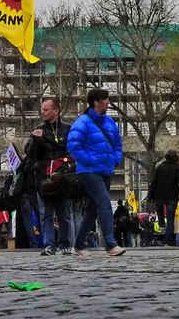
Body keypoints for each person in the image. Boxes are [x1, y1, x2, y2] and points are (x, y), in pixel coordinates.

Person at [66, 88, 126, 257]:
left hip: (105, 170)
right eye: (105, 100)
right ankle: (111, 245)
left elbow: (117, 143)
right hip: (89, 170)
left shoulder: (110, 122)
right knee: (105, 203)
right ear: (96, 102)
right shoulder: (82, 122)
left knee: (92, 209)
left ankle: (78, 246)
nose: (108, 102)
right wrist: (90, 160)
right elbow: (73, 146)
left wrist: (115, 159)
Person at [25, 98, 71, 256]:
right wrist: (36, 141)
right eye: (42, 109)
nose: (42, 112)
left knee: (63, 213)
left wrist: (64, 170)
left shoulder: (67, 129)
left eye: (46, 109)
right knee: (46, 214)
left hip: (61, 177)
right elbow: (30, 154)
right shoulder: (39, 129)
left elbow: (72, 153)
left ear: (56, 111)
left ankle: (65, 243)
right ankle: (49, 245)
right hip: (43, 178)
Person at [147, 150, 179, 246]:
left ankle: (161, 224)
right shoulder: (178, 168)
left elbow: (154, 183)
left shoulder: (159, 167)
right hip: (172, 196)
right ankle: (168, 239)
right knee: (171, 218)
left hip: (159, 195)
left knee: (160, 211)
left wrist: (150, 196)